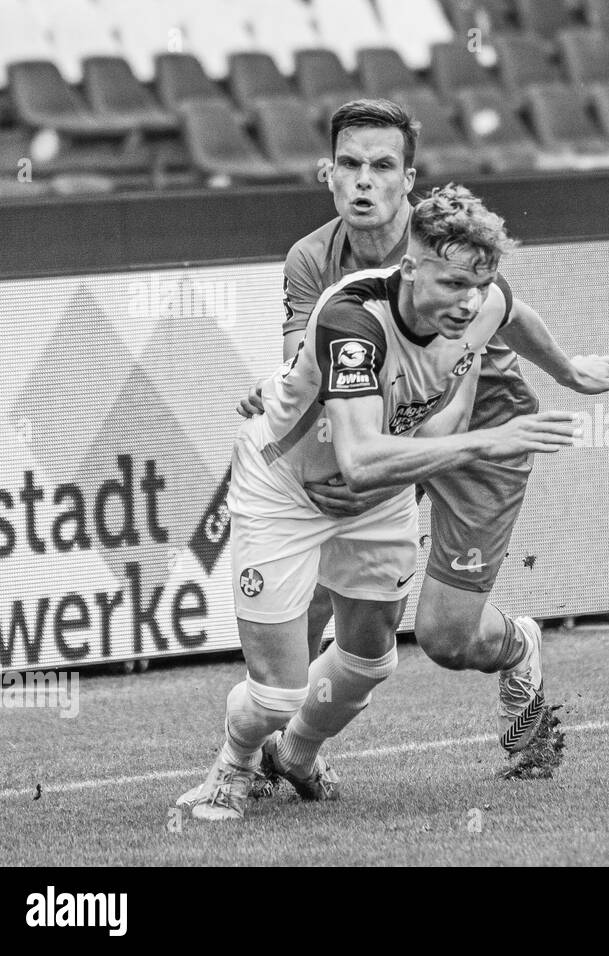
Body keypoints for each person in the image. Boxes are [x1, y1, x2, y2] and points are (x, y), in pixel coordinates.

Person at [178, 184, 581, 821]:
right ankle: (232, 766)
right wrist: (487, 441)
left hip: (376, 498)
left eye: (478, 284)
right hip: (285, 489)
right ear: (411, 267)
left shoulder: (478, 301)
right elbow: (360, 459)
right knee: (279, 692)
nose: (468, 301)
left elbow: (511, 312)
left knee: (370, 659)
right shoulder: (354, 319)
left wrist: (570, 371)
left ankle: (300, 756)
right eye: (452, 284)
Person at [242, 100, 609, 760]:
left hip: (483, 433)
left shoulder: (441, 246)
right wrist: (280, 393)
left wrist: (568, 373)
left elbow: (508, 309)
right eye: (350, 163)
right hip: (385, 425)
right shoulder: (310, 259)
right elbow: (301, 365)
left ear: (408, 179)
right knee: (310, 593)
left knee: (448, 640)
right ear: (328, 173)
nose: (365, 180)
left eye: (383, 165)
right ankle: (285, 752)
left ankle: (519, 645)